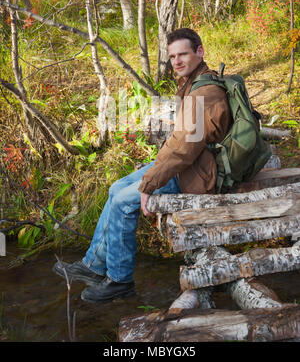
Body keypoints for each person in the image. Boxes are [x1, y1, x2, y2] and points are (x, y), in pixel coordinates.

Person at [52, 28, 232, 304]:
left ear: (200, 52)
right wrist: (154, 169)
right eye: (172, 56)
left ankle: (120, 280)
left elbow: (184, 147)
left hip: (199, 175)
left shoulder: (205, 92)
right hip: (190, 165)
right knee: (117, 187)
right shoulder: (193, 83)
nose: (177, 61)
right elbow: (181, 144)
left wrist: (149, 184)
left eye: (182, 54)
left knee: (125, 200)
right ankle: (93, 266)